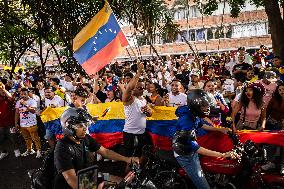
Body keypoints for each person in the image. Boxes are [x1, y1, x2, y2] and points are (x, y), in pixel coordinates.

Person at [54, 107, 139, 189]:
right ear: (69, 127)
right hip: (71, 185)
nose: (85, 128)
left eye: (85, 124)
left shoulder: (85, 138)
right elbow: (71, 180)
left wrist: (127, 159)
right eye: (80, 125)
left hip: (88, 177)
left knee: (122, 182)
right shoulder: (62, 147)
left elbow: (105, 152)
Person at [173, 89, 235, 189]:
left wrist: (219, 129)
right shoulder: (186, 120)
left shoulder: (193, 113)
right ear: (195, 106)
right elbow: (195, 148)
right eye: (204, 107)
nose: (207, 108)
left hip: (190, 146)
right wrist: (222, 155)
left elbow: (201, 125)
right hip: (185, 154)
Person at [122, 61, 152, 157]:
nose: (142, 89)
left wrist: (148, 111)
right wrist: (138, 72)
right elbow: (130, 88)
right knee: (130, 159)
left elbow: (149, 114)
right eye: (139, 88)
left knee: (141, 156)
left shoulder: (143, 99)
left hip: (142, 133)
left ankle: (139, 171)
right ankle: (127, 171)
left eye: (143, 88)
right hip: (130, 134)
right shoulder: (129, 98)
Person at [262, 82, 284, 173]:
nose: (282, 91)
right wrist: (263, 124)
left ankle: (283, 165)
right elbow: (266, 112)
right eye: (280, 90)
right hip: (271, 124)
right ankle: (271, 162)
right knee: (271, 144)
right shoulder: (274, 99)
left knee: (283, 145)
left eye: (283, 89)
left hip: (282, 125)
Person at [15, 88, 42, 158]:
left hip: (32, 123)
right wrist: (16, 122)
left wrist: (25, 104)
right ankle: (29, 150)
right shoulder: (18, 102)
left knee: (35, 138)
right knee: (27, 138)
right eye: (21, 94)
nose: (23, 95)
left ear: (28, 94)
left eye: (25, 94)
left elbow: (33, 111)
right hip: (22, 124)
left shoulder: (32, 101)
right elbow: (17, 113)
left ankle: (39, 151)